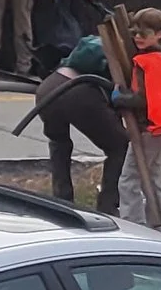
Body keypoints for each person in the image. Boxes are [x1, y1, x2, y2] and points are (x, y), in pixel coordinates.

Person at [29, 29, 125, 214]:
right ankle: (109, 206)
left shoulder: (94, 44)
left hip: (48, 87)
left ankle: (62, 202)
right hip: (77, 93)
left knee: (59, 143)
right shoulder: (124, 52)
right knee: (120, 146)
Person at [116, 6, 161, 231]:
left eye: (144, 33)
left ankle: (133, 227)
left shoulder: (145, 64)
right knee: (154, 177)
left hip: (149, 128)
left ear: (159, 34)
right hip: (159, 128)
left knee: (129, 180)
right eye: (135, 32)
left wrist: (120, 99)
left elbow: (144, 99)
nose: (138, 37)